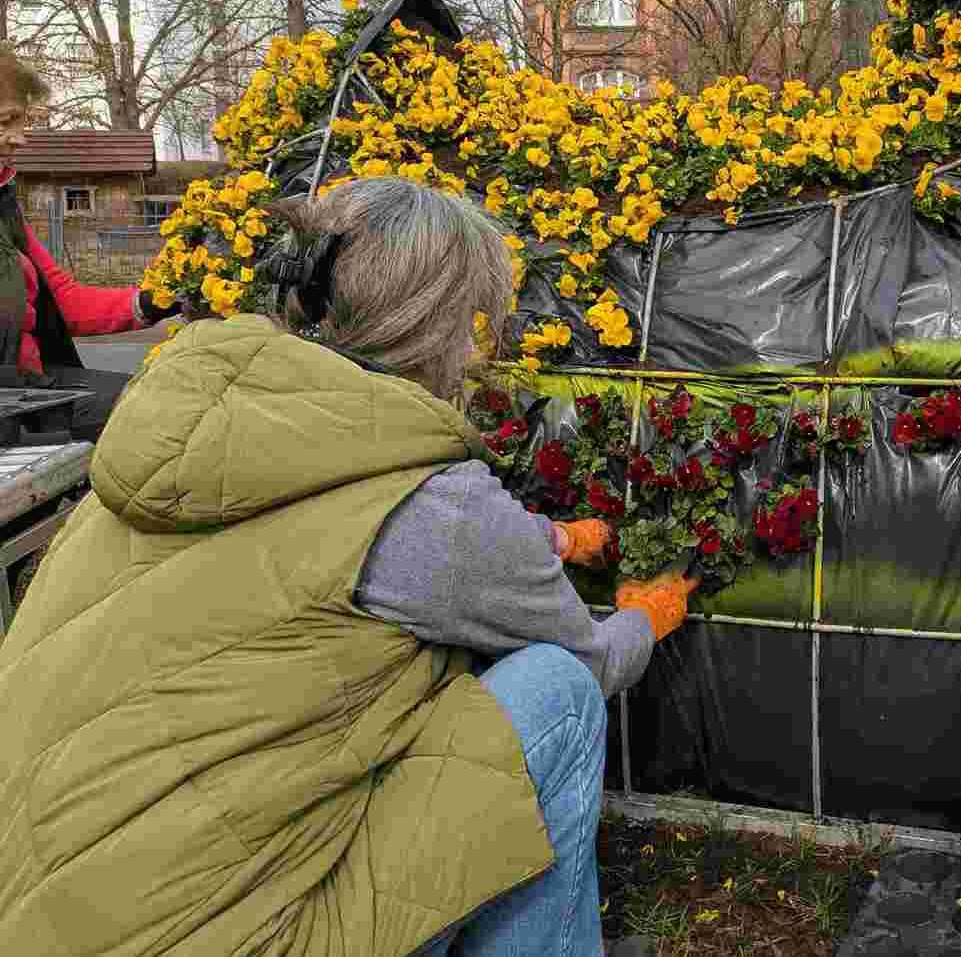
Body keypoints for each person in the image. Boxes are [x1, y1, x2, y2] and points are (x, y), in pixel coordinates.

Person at [0, 177, 696, 956]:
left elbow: (328, 532)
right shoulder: (439, 509)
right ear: (445, 323)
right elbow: (587, 654)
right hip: (229, 936)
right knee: (558, 692)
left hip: (52, 908)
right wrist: (646, 614)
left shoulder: (191, 433)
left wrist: (552, 539)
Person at [0, 51, 176, 437]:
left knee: (173, 394)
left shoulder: (5, 209)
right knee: (167, 417)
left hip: (32, 386)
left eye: (23, 122)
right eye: (6, 122)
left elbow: (62, 301)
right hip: (13, 404)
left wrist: (152, 300)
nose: (20, 137)